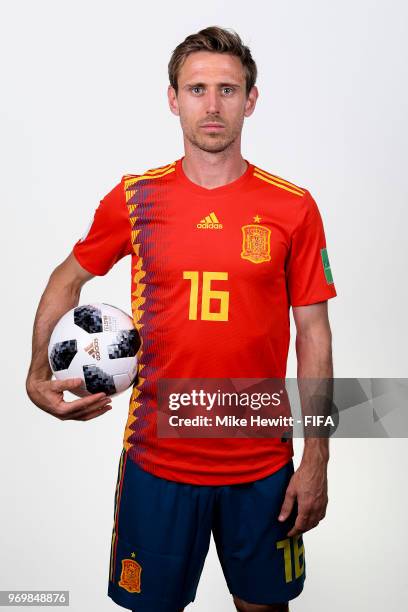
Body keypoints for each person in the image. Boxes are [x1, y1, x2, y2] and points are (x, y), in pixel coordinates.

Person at [26, 26, 337, 612]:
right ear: (173, 99)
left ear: (251, 99)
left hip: (262, 464)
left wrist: (317, 456)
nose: (212, 105)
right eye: (197, 89)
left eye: (227, 89)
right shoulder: (135, 199)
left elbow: (314, 336)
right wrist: (35, 371)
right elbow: (66, 279)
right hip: (158, 463)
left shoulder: (292, 207)